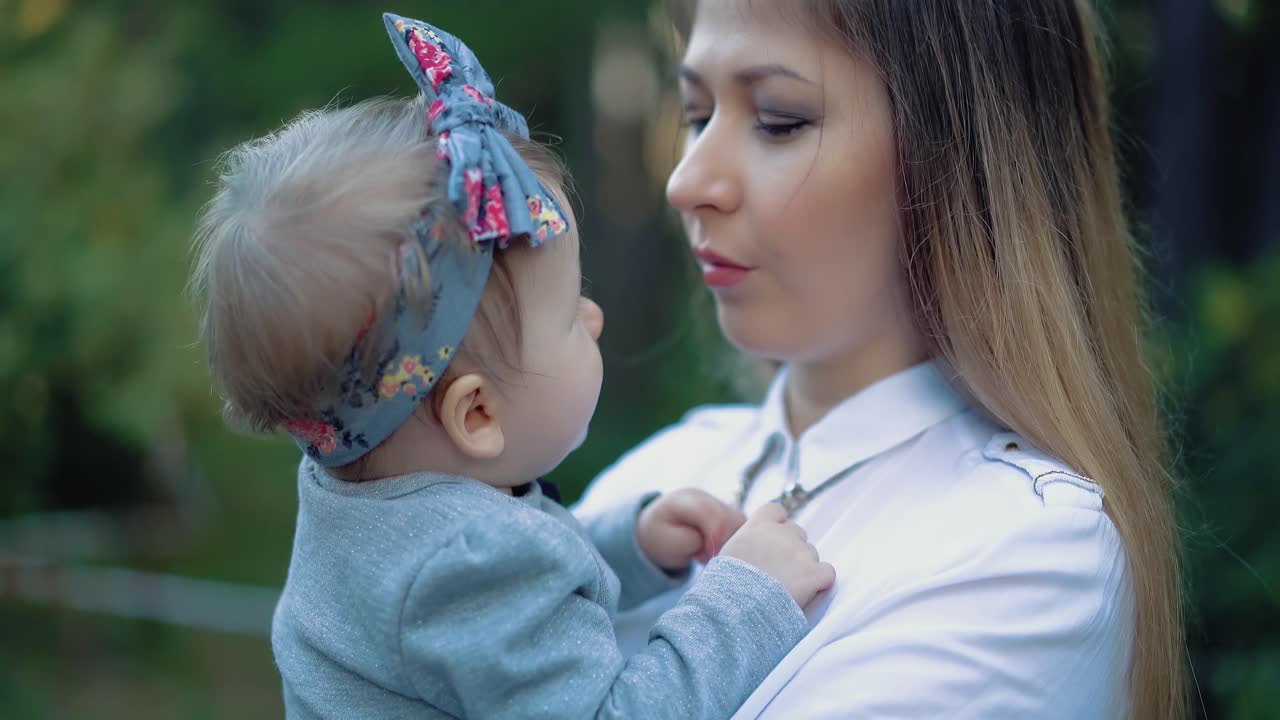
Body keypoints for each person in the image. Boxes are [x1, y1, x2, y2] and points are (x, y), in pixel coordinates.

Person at [189, 13, 834, 720]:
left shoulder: (367, 498)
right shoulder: (467, 565)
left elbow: (517, 610)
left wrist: (632, 546)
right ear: (476, 414)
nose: (593, 319)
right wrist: (745, 600)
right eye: (569, 312)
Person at [575, 1, 1185, 718]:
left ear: (963, 155)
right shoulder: (657, 478)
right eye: (697, 114)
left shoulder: (1022, 550)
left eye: (778, 119)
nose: (685, 181)